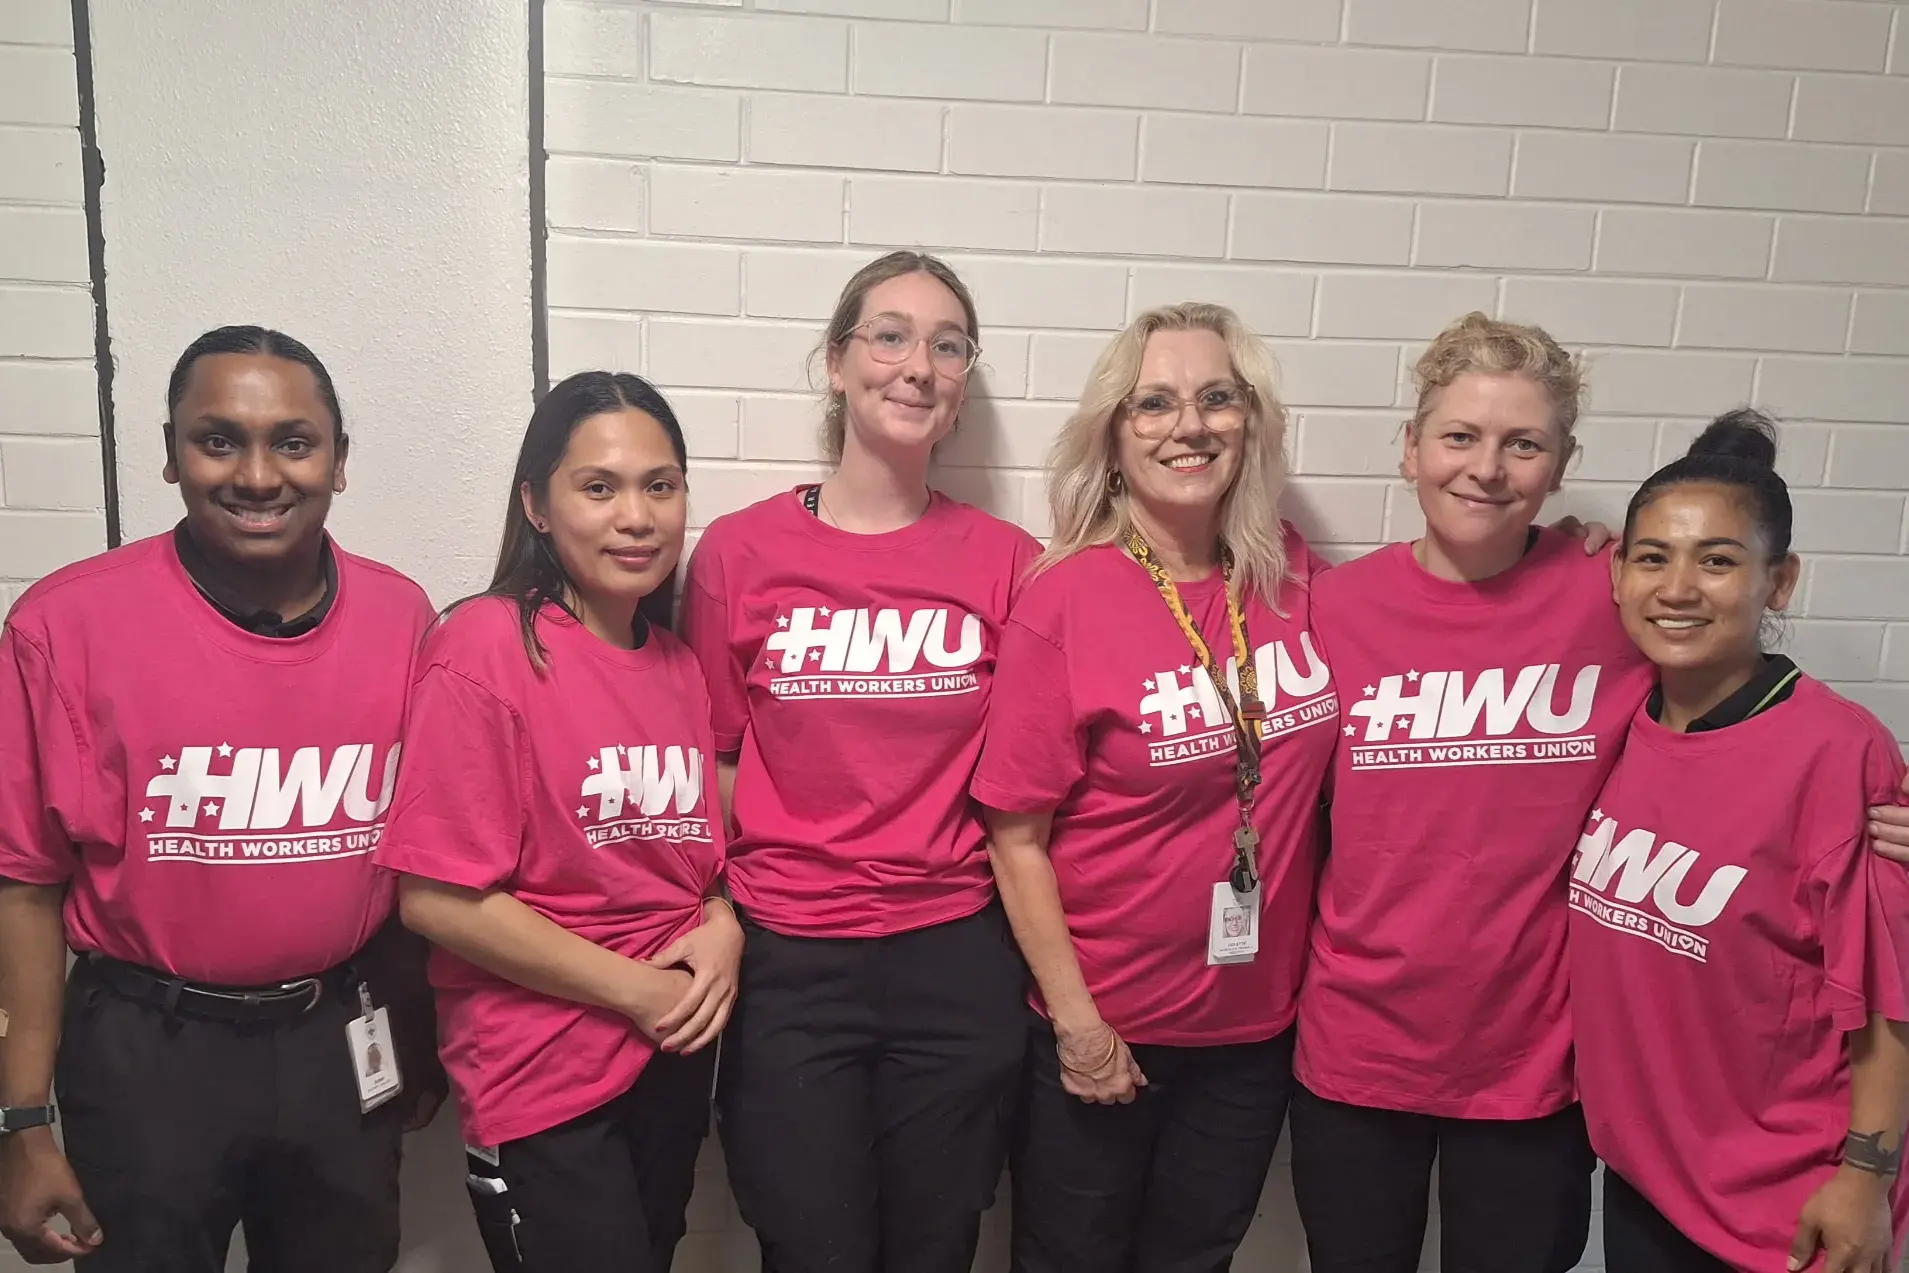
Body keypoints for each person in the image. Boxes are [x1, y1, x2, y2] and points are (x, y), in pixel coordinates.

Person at [0, 326, 444, 1272]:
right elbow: (26, 885)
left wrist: (416, 1025)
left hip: (339, 1036)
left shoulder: (403, 618)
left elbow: (417, 853)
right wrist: (23, 1121)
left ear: (338, 462)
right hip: (146, 1052)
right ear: (168, 454)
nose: (256, 474)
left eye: (292, 441)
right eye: (217, 439)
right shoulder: (64, 624)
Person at [679, 250, 1037, 1273]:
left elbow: (1024, 786)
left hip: (956, 957)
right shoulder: (738, 556)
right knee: (811, 1245)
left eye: (947, 344)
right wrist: (721, 911)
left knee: (935, 1246)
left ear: (963, 382)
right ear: (836, 363)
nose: (917, 364)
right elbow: (715, 762)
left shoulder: (1008, 563)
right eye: (889, 335)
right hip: (792, 958)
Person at [972, 302, 1337, 1273]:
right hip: (1107, 1026)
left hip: (1253, 1030)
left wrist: (1568, 555)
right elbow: (1015, 837)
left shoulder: (1290, 574)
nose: (1190, 425)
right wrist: (1080, 1026)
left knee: (1197, 1258)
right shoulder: (1066, 598)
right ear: (1113, 432)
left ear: (1250, 420)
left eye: (1217, 398)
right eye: (1155, 404)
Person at [1288, 313, 1650, 1272]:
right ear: (1409, 450)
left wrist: (1875, 790)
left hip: (1534, 1062)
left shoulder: (1612, 594)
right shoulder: (1332, 608)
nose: (1486, 468)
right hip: (1357, 1047)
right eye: (1459, 436)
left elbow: (1742, 714)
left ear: (1559, 462)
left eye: (1521, 443)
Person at [376, 371, 735, 1273]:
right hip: (544, 1072)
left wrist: (724, 926)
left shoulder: (679, 665)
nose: (638, 517)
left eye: (661, 485)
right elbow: (437, 899)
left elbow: (690, 864)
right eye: (599, 487)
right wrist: (636, 990)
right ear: (536, 503)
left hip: (669, 1059)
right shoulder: (486, 645)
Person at [1571, 411, 1909, 1273]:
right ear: (1616, 573)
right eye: (1653, 557)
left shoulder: (1836, 749)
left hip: (1783, 1202)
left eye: (1717, 560)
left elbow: (1884, 990)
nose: (1678, 587)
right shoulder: (1618, 719)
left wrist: (1864, 1176)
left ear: (1779, 580)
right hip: (1647, 1177)